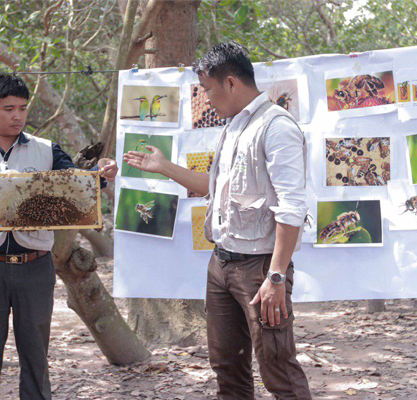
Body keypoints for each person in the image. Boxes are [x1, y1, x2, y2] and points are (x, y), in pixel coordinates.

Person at [123, 42, 312, 399]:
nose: (206, 99)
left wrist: (275, 276)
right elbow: (211, 187)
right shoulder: (234, 127)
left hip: (260, 268)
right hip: (221, 262)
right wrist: (163, 167)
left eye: (207, 90)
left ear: (231, 83)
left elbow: (292, 208)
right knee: (227, 366)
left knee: (278, 368)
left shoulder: (276, 127)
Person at [0, 74, 117, 400]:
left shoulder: (46, 150)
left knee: (36, 357)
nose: (17, 116)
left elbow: (78, 184)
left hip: (35, 267)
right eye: (9, 108)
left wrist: (100, 176)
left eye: (23, 109)